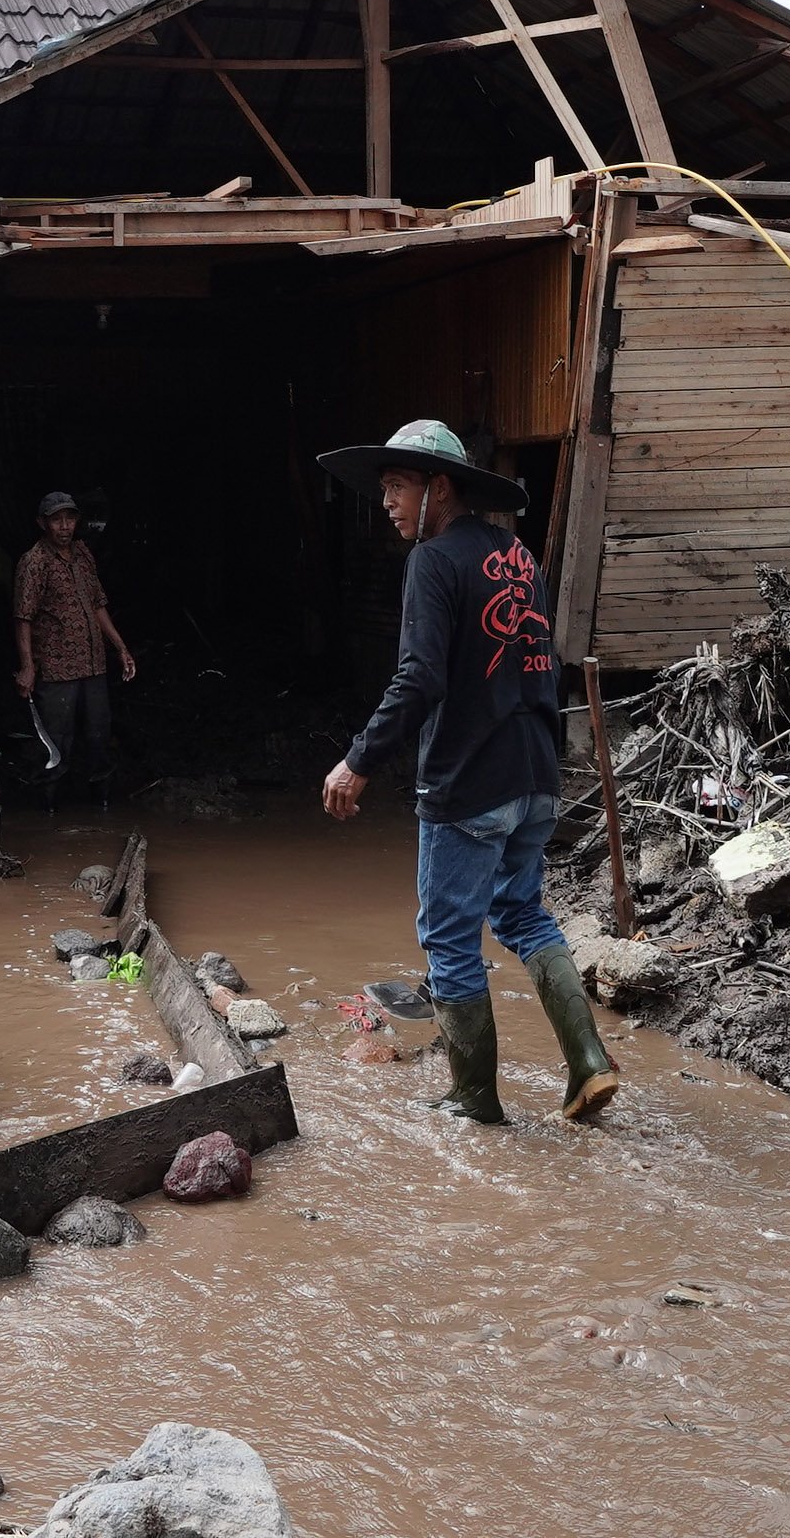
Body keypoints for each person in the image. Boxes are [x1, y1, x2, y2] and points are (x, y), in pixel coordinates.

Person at [316, 420, 616, 1127]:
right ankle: (590, 1062)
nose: (386, 501)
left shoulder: (434, 561)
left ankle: (474, 1095)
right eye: (384, 487)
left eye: (397, 486)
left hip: (469, 780)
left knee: (450, 939)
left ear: (439, 488)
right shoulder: (516, 555)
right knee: (521, 912)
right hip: (535, 772)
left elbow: (418, 676)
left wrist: (359, 759)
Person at [13, 490, 135, 809]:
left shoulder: (83, 554)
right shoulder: (34, 562)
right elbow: (23, 617)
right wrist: (27, 667)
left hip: (93, 665)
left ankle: (101, 803)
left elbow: (98, 605)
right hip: (56, 668)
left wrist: (120, 647)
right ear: (43, 524)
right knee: (56, 742)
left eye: (69, 519)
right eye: (57, 521)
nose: (65, 527)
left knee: (98, 736)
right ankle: (48, 809)